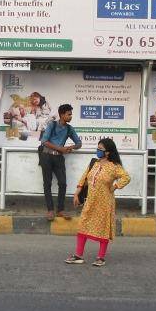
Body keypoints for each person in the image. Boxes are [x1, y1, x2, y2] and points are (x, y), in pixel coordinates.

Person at [66, 138, 131, 267]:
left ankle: (101, 257)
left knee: (103, 228)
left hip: (105, 202)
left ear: (107, 152)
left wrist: (115, 186)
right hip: (90, 200)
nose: (98, 151)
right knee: (83, 224)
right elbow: (83, 178)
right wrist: (76, 193)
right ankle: (78, 255)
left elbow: (126, 177)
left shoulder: (114, 167)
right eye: (98, 148)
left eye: (100, 149)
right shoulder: (94, 163)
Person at [39, 103, 82, 220]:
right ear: (62, 115)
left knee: (62, 183)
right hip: (46, 156)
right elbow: (44, 141)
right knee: (47, 183)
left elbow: (79, 143)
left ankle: (60, 210)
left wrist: (71, 147)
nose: (71, 116)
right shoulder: (52, 125)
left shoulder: (69, 128)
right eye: (69, 114)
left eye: (71, 114)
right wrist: (61, 149)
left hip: (59, 158)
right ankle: (50, 211)